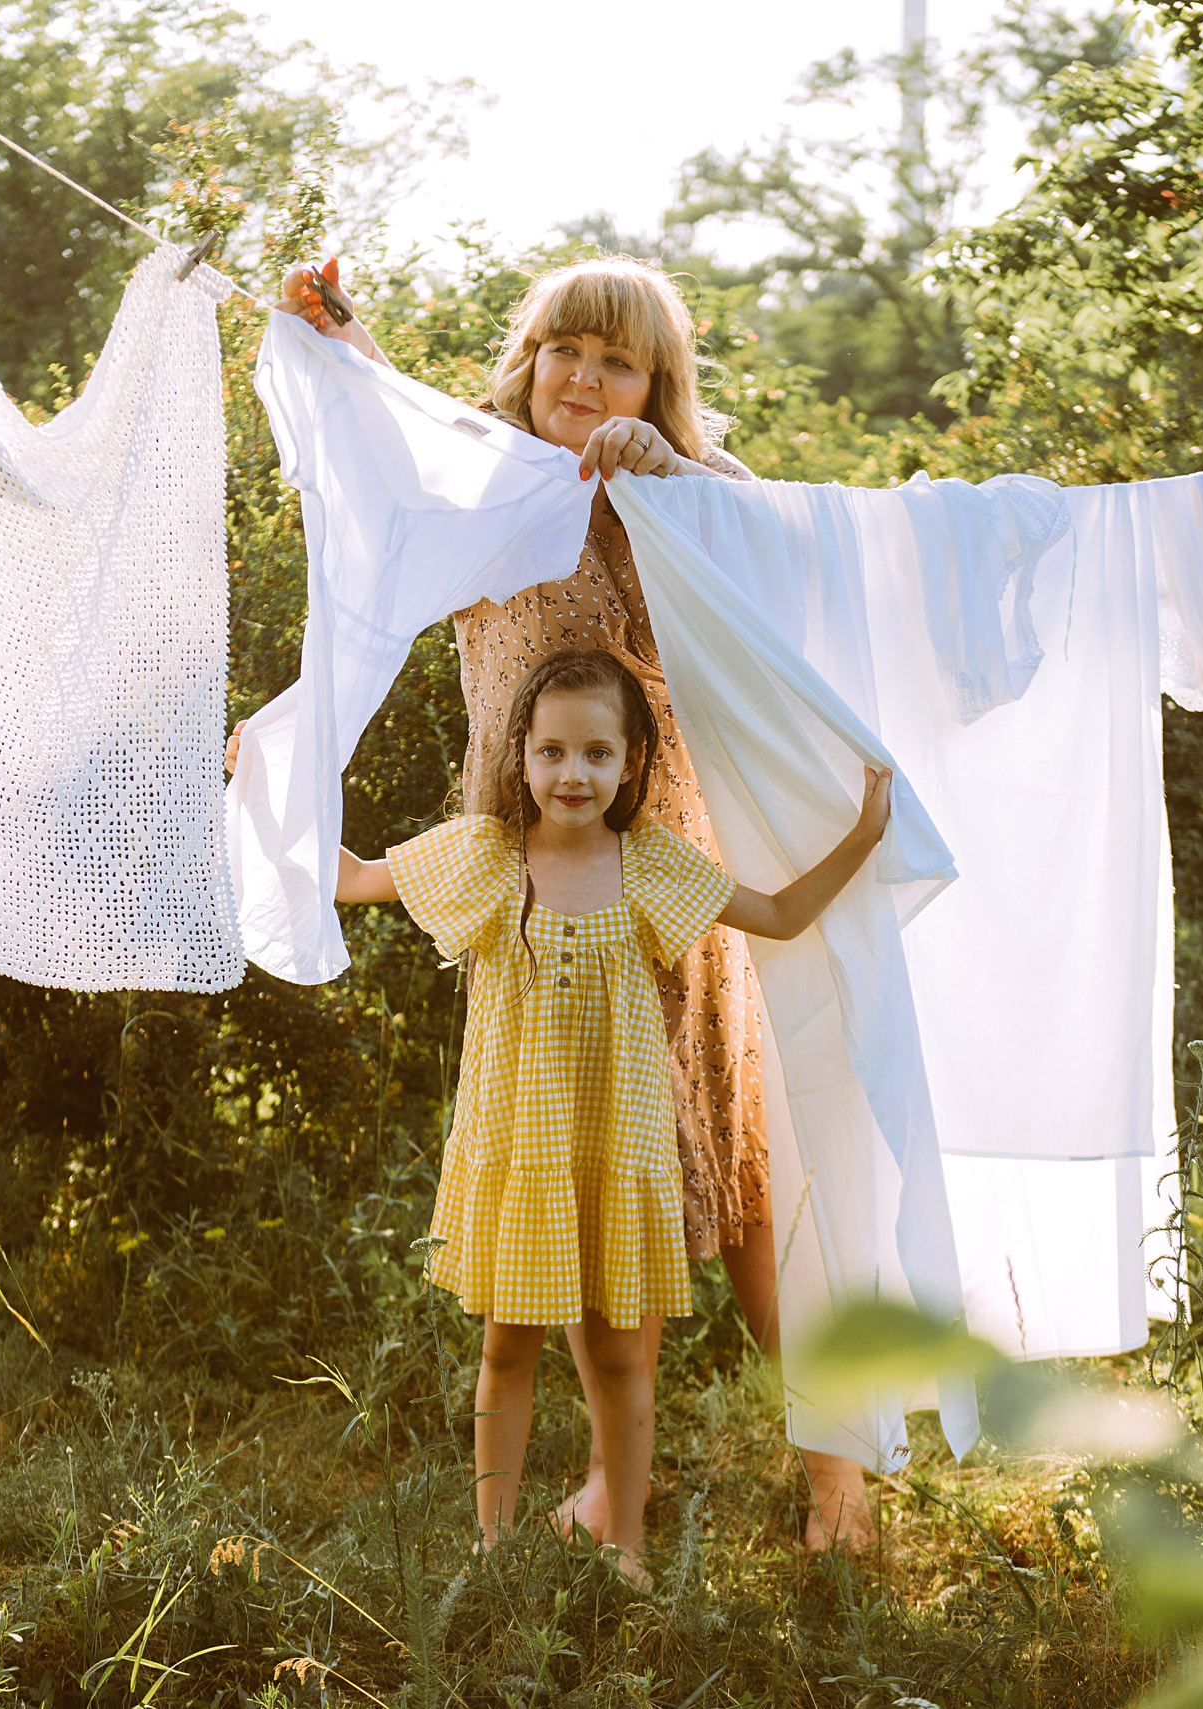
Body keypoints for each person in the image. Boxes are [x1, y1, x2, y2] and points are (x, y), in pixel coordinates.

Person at [270, 253, 880, 1554]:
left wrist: (667, 465)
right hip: (534, 900)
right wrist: (343, 332)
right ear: (529, 357)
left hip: (666, 890)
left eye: (619, 361)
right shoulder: (490, 486)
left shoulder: (674, 499)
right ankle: (621, 1492)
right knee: (603, 1179)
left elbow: (791, 536)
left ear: (658, 386)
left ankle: (833, 1476)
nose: (584, 380)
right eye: (566, 351)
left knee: (750, 1199)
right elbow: (393, 437)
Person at [331, 647, 892, 1583]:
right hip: (521, 1154)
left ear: (633, 763)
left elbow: (783, 914)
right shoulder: (486, 859)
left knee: (623, 1361)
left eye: (596, 753)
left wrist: (866, 831)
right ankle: (492, 1544)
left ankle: (623, 1545)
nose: (572, 774)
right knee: (506, 1351)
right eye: (551, 752)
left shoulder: (652, 868)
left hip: (617, 1155)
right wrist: (269, 773)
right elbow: (350, 878)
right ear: (521, 757)